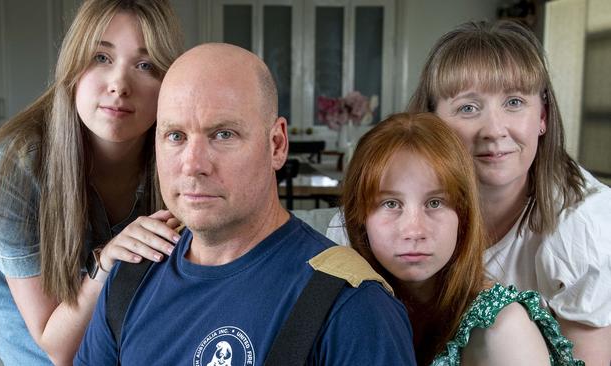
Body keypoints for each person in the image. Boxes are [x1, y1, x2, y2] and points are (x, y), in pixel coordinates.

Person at [74, 43, 416, 365]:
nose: (193, 164)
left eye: (223, 134)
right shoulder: (131, 276)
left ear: (277, 145)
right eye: (175, 136)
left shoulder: (350, 305)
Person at [0, 1, 183, 365]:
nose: (119, 85)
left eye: (145, 65)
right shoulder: (14, 169)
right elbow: (58, 347)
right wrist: (108, 262)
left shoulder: (180, 156)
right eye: (101, 57)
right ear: (73, 67)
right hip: (43, 335)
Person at [407, 20, 611, 365]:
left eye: (514, 102)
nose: (495, 130)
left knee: (502, 324)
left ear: (542, 116)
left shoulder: (584, 221)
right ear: (432, 122)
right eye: (468, 108)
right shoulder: (397, 200)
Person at [342, 112, 581, 365]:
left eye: (435, 203)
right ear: (360, 218)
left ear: (464, 215)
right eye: (391, 203)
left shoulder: (502, 327)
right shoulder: (347, 309)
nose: (414, 231)